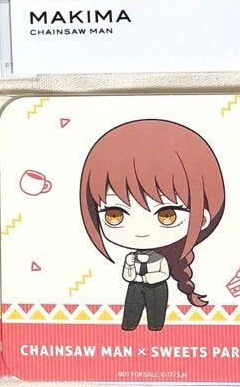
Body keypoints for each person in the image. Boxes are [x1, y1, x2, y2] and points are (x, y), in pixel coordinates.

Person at [79, 119, 226, 331]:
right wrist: (132, 270)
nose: (140, 231)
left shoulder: (160, 259)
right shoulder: (131, 257)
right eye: (115, 214)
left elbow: (161, 274)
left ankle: (155, 330)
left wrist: (146, 276)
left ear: (202, 218)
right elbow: (127, 275)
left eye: (166, 215)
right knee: (131, 313)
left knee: (156, 317)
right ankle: (129, 328)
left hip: (156, 287)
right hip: (135, 287)